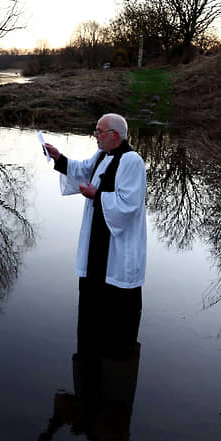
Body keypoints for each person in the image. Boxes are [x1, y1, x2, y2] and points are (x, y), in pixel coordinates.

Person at [43, 113, 147, 361]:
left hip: (118, 246)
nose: (95, 135)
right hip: (97, 242)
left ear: (114, 135)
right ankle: (89, 363)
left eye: (99, 131)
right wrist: (59, 158)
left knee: (117, 320)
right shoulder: (103, 155)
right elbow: (83, 170)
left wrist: (97, 195)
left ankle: (114, 366)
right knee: (92, 308)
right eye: (96, 130)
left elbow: (129, 204)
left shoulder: (131, 161)